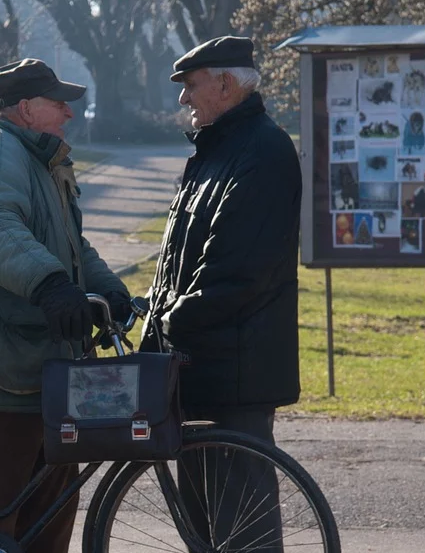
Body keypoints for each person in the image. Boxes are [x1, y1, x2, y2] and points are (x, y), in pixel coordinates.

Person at [0, 58, 131, 552]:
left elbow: (70, 248)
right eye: (59, 103)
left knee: (47, 524)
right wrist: (52, 287)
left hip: (38, 372)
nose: (69, 113)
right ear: (25, 108)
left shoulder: (38, 158)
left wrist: (110, 292)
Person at [140, 36, 302, 550]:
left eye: (191, 85)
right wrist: (153, 314)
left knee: (241, 533)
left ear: (226, 85)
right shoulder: (216, 151)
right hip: (200, 369)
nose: (184, 99)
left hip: (235, 375)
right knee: (205, 529)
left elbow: (235, 273)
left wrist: (166, 322)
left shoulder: (263, 152)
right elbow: (180, 263)